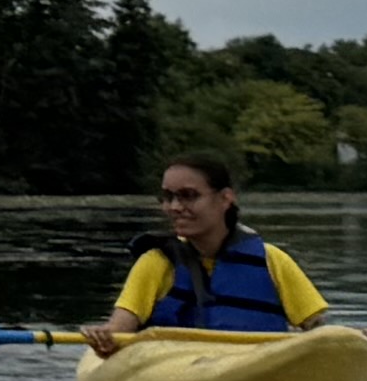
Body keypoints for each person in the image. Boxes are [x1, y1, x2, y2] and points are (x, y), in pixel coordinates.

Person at [78, 149, 325, 353]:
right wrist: (105, 338)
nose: (174, 207)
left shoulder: (272, 260)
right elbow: (120, 328)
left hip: (259, 373)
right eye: (167, 197)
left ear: (225, 198)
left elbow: (318, 331)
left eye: (188, 196)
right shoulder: (155, 263)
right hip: (177, 375)